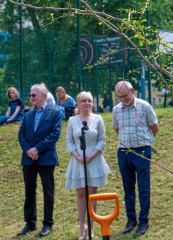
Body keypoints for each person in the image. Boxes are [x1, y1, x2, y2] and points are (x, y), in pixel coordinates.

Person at [112, 81, 159, 237]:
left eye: (125, 95)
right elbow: (117, 129)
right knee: (128, 188)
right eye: (120, 96)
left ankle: (143, 221)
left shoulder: (145, 106)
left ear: (132, 91)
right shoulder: (116, 110)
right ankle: (131, 219)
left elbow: (154, 128)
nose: (123, 99)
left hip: (142, 151)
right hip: (124, 152)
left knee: (143, 188)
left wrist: (144, 143)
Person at [17, 84, 62, 237]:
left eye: (33, 95)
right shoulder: (27, 114)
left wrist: (37, 149)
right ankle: (30, 223)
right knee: (29, 191)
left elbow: (55, 135)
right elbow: (21, 135)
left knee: (48, 192)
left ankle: (47, 224)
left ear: (43, 96)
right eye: (30, 95)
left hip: (46, 158)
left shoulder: (55, 113)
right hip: (28, 159)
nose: (30, 98)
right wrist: (29, 150)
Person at [65, 91, 111, 240]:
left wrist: (93, 154)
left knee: (92, 194)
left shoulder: (98, 119)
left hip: (94, 160)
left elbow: (102, 139)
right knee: (80, 194)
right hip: (78, 160)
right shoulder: (72, 121)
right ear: (78, 103)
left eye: (89, 101)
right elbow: (69, 141)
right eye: (84, 101)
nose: (87, 103)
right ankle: (82, 229)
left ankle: (91, 229)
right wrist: (77, 156)